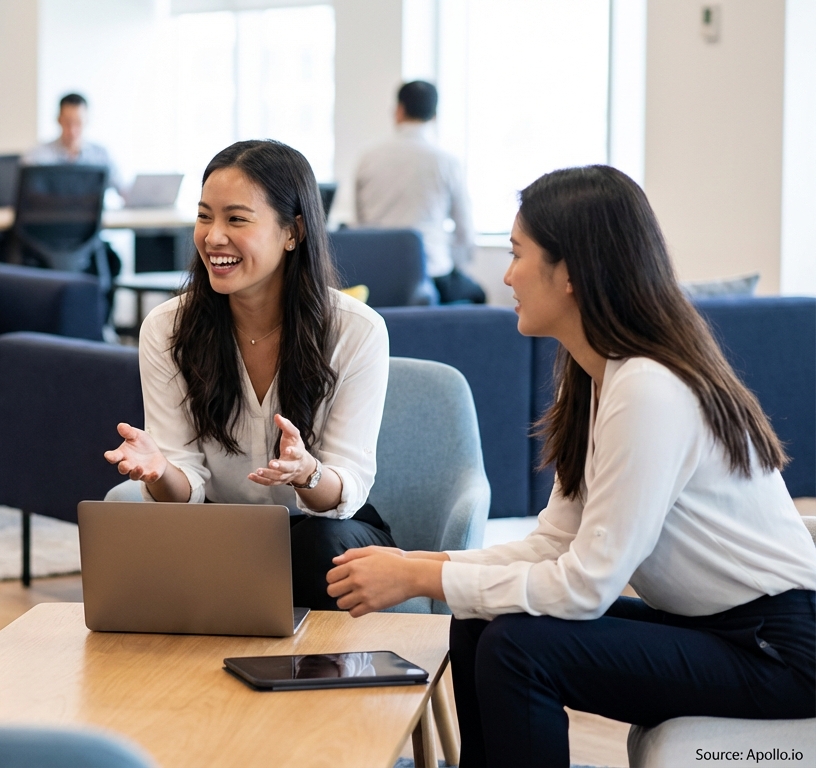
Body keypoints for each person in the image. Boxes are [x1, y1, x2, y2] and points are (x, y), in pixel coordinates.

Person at [325, 165, 816, 767]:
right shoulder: (597, 380)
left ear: (572, 274)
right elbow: (553, 544)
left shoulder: (649, 388)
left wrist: (421, 579)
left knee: (517, 649)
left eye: (517, 255)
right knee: (483, 623)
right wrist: (415, 564)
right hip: (713, 628)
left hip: (779, 650)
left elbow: (585, 586)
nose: (505, 276)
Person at [102, 139, 395, 610]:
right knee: (129, 515)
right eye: (204, 216)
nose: (213, 237)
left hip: (325, 527)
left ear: (292, 231)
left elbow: (347, 485)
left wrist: (307, 474)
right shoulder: (167, 329)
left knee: (315, 549)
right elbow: (184, 489)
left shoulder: (356, 330)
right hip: (218, 526)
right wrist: (159, 472)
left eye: (236, 219)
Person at [354, 80, 485, 304]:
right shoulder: (447, 162)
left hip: (376, 276)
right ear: (434, 115)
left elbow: (359, 222)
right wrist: (450, 263)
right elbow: (464, 231)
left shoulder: (368, 158)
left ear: (398, 110)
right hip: (433, 274)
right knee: (477, 294)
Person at [23, 93, 124, 194]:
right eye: (67, 122)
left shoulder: (101, 155)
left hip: (88, 210)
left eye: (78, 123)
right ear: (58, 120)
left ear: (87, 121)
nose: (72, 130)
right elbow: (23, 195)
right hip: (49, 209)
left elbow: (123, 190)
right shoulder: (37, 156)